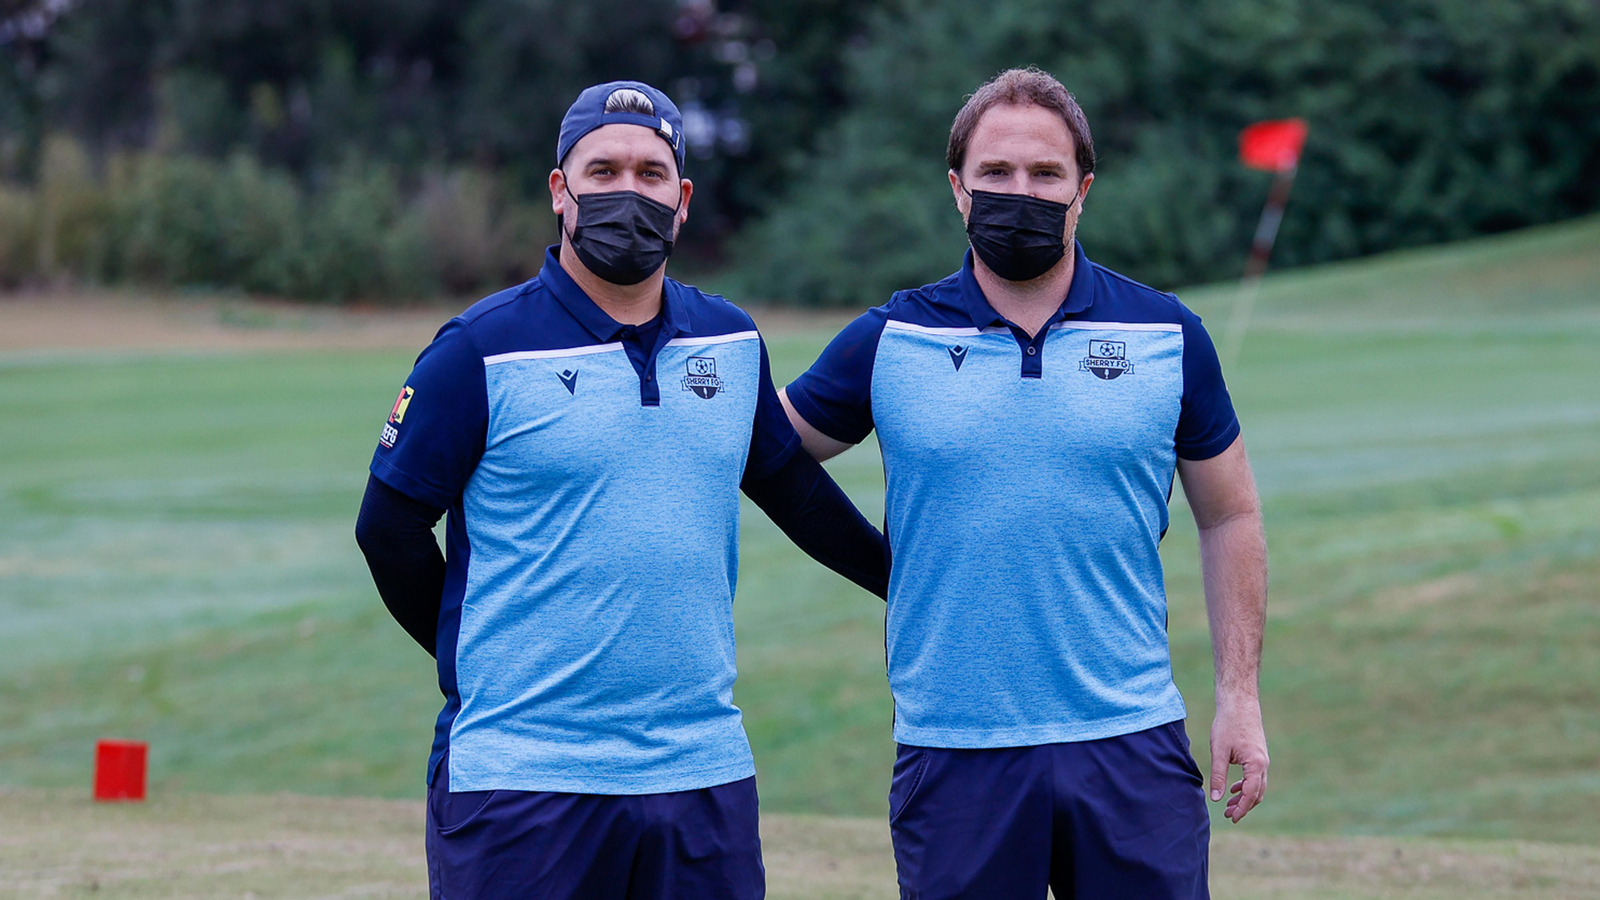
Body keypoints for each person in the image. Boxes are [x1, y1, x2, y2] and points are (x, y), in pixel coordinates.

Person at [354, 80, 888, 900]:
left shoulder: (731, 339)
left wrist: (910, 580)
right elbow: (387, 527)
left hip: (699, 773)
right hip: (523, 780)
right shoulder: (479, 350)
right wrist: (476, 658)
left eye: (649, 173)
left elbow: (790, 485)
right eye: (602, 171)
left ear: (681, 200)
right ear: (560, 193)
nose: (626, 191)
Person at [779, 67, 1270, 899]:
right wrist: (877, 565)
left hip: (1132, 746)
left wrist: (1239, 697)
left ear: (1083, 189)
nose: (1022, 192)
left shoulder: (1166, 333)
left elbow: (1230, 517)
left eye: (1045, 175)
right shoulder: (891, 338)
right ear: (958, 191)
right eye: (996, 174)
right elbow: (766, 458)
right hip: (954, 753)